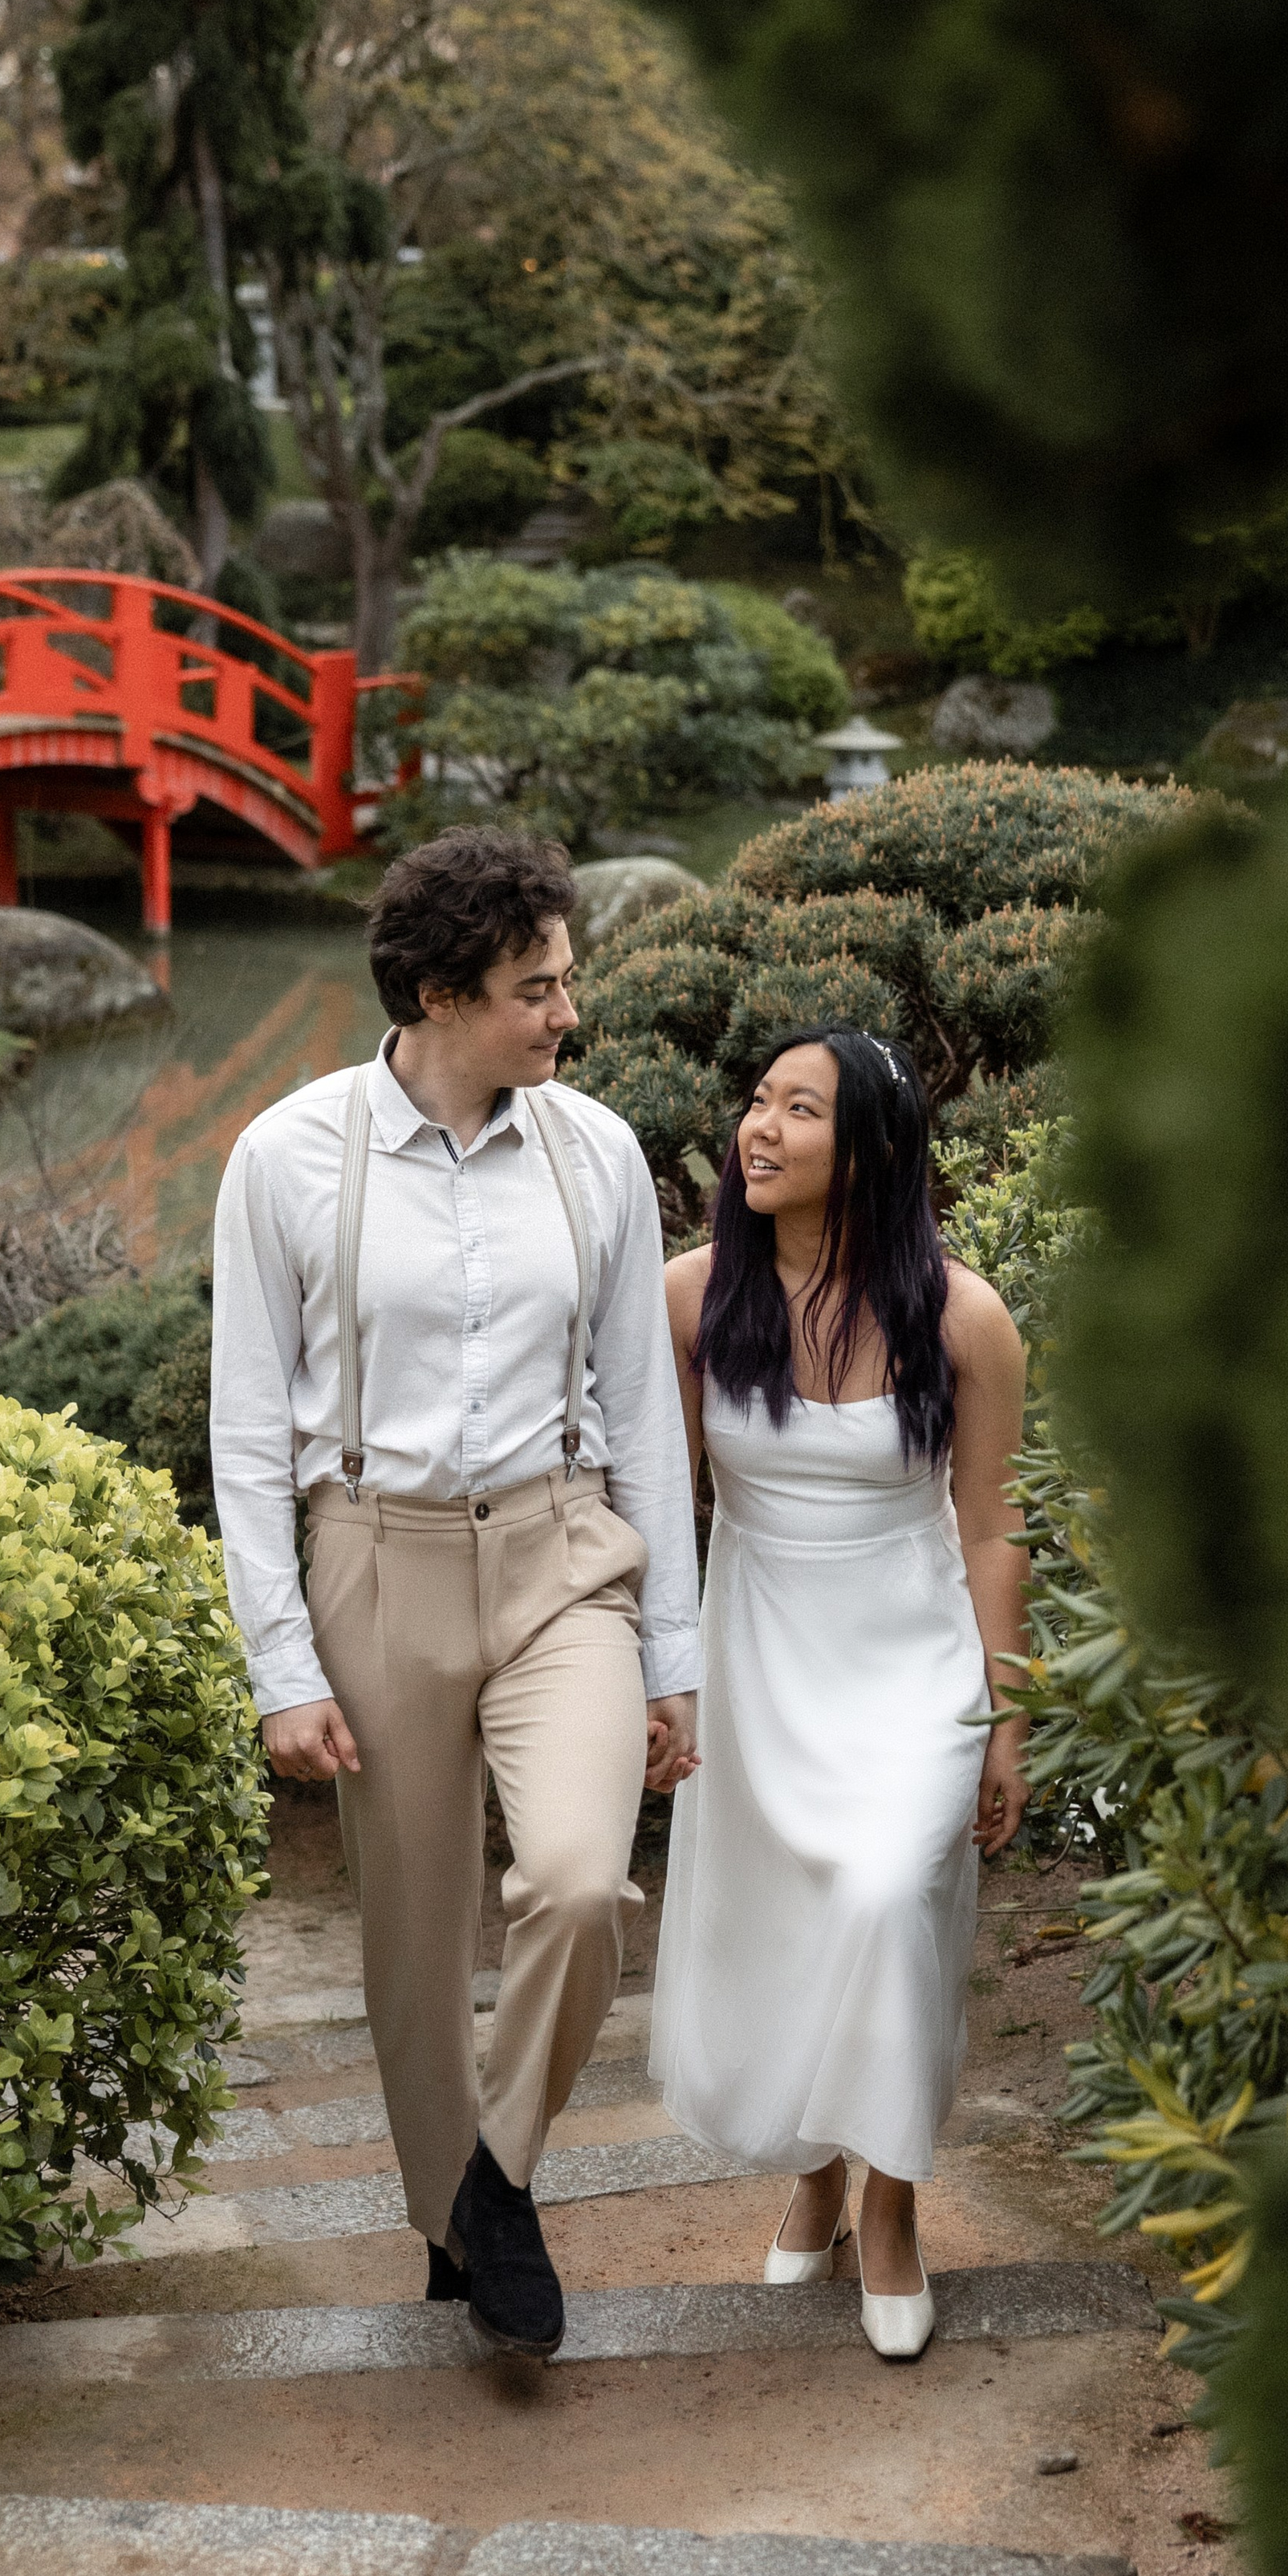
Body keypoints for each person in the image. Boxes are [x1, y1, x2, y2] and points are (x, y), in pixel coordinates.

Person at [209, 825, 701, 2360]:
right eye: (534, 989)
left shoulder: (599, 1150)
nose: (567, 1014)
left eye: (567, 980)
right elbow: (244, 1432)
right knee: (414, 1944)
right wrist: (279, 1662)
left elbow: (639, 1417)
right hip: (376, 1555)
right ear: (435, 994)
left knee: (572, 1881)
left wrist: (673, 1650)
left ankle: (498, 2178)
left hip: (565, 1558)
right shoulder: (283, 1156)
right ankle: (453, 2229)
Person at [650, 1024, 1029, 2363]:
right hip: (760, 1648)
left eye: (796, 1110)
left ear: (867, 1147)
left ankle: (893, 2208)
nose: (758, 1129)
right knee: (793, 1922)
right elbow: (651, 1502)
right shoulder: (690, 1299)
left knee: (883, 1898)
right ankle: (815, 2166)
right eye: (755, 1101)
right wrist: (659, 1678)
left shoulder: (965, 1316)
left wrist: (1007, 1720)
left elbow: (992, 1530)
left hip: (912, 1660)